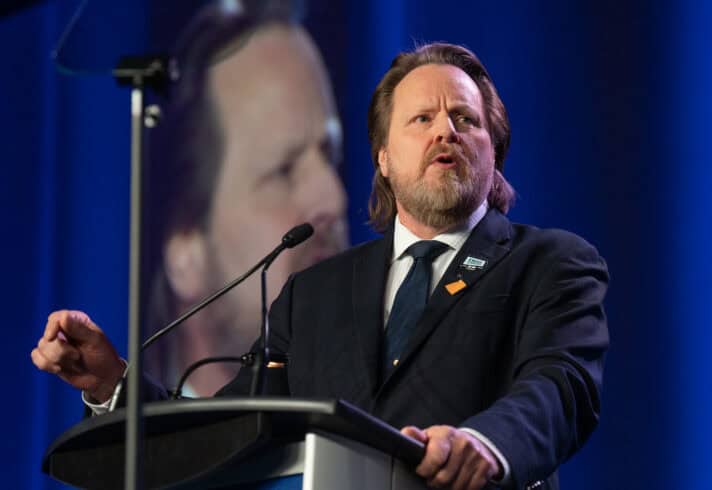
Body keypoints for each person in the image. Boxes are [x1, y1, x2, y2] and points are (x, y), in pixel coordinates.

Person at [32, 42, 608, 490]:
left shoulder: (549, 263)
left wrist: (485, 444)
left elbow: (561, 387)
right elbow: (224, 432)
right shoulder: (312, 291)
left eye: (466, 119)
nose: (445, 131)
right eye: (421, 119)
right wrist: (114, 384)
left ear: (494, 150)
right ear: (383, 157)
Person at [140, 7, 348, 396]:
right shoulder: (132, 455)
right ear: (185, 247)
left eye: (330, 155)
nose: (333, 197)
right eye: (283, 171)